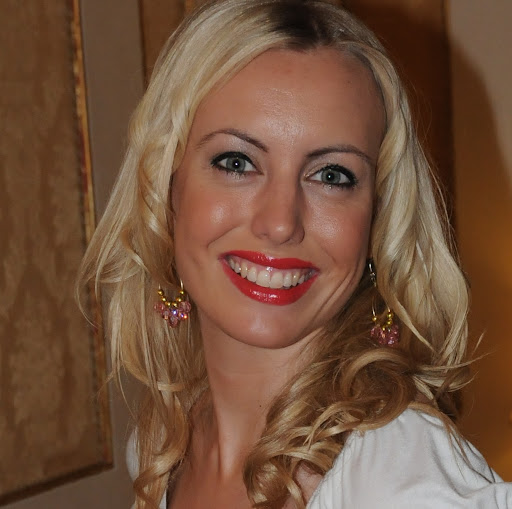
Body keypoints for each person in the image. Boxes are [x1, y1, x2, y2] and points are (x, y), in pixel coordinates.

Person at [78, 0, 512, 507]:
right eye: (237, 162)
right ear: (165, 190)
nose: (281, 222)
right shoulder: (164, 442)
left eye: (331, 175)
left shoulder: (399, 480)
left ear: (378, 218)